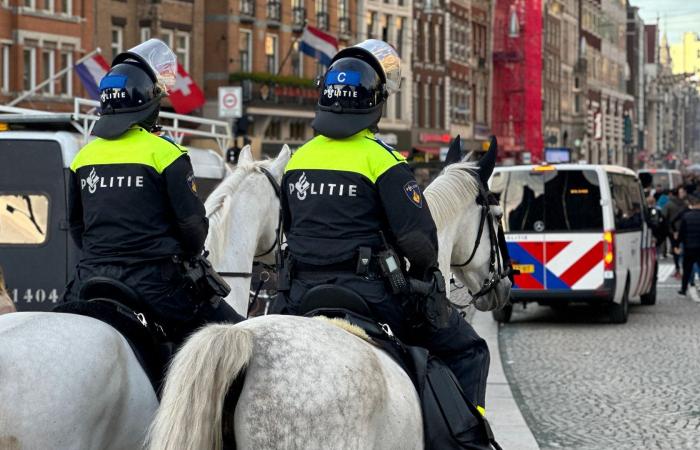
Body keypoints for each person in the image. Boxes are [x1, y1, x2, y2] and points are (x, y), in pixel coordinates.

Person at [273, 39, 494, 413]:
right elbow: (420, 242)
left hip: (299, 295)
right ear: (376, 104)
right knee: (469, 350)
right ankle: (469, 435)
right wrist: (426, 277)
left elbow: (289, 228)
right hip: (371, 297)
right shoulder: (384, 161)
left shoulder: (297, 160)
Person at [63, 39, 242, 345]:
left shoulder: (83, 157)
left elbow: (77, 227)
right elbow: (193, 231)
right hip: (157, 287)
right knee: (237, 337)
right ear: (149, 103)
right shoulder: (166, 154)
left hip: (90, 280)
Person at [676, 194, 700, 295]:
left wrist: (676, 245)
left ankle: (683, 288)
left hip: (689, 247)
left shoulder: (686, 216)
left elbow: (681, 233)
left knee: (687, 270)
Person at [663, 186, 688, 278]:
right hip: (685, 230)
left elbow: (664, 216)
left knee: (675, 249)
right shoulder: (685, 204)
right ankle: (684, 269)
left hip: (673, 231)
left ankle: (678, 269)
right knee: (685, 250)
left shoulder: (669, 204)